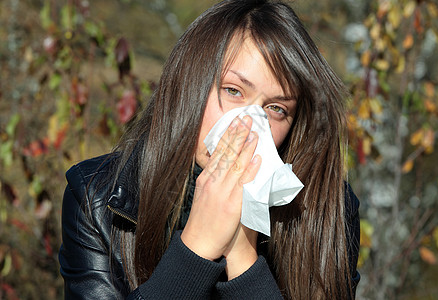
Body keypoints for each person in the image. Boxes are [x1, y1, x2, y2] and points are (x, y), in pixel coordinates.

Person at [59, 0, 360, 299]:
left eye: (276, 108)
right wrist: (195, 249)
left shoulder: (326, 210)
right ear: (191, 85)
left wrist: (243, 258)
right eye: (233, 91)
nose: (248, 125)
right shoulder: (98, 198)